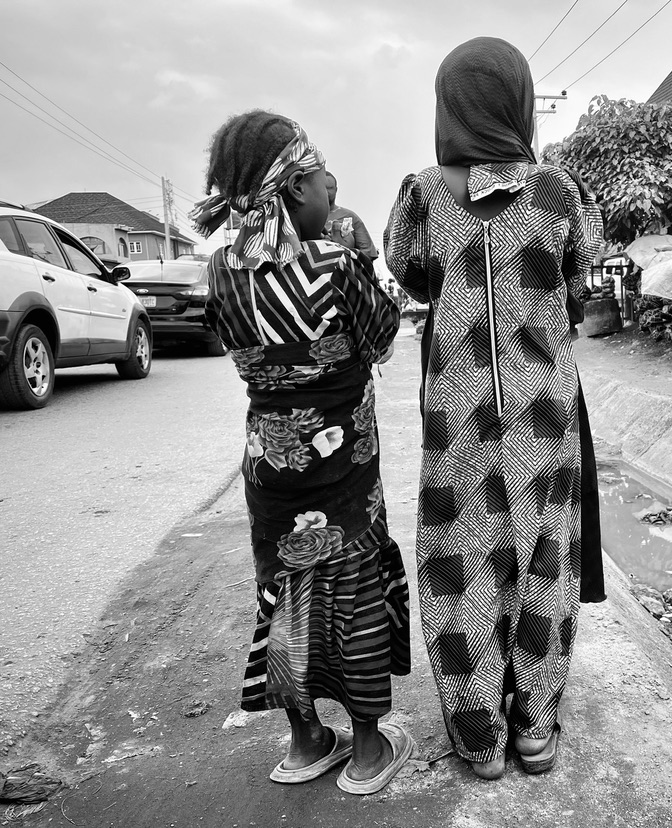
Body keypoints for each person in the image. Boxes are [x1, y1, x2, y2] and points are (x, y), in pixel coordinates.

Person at [384, 37, 605, 781]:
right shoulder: (559, 191)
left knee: (462, 566)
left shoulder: (420, 194)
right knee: (547, 562)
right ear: (517, 98)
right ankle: (535, 731)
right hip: (547, 411)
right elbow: (579, 290)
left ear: (448, 102)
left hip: (459, 414)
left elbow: (413, 279)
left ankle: (478, 741)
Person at [190, 110, 413, 795]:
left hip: (271, 474)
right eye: (320, 177)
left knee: (286, 597)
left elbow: (230, 342)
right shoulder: (337, 264)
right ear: (292, 191)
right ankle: (370, 751)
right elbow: (379, 337)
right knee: (355, 593)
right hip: (344, 473)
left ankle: (306, 740)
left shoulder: (221, 272)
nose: (332, 186)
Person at [324, 171, 379, 261]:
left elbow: (368, 252)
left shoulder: (349, 217)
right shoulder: (306, 217)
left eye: (330, 188)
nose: (326, 192)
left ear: (336, 190)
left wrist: (347, 255)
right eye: (322, 188)